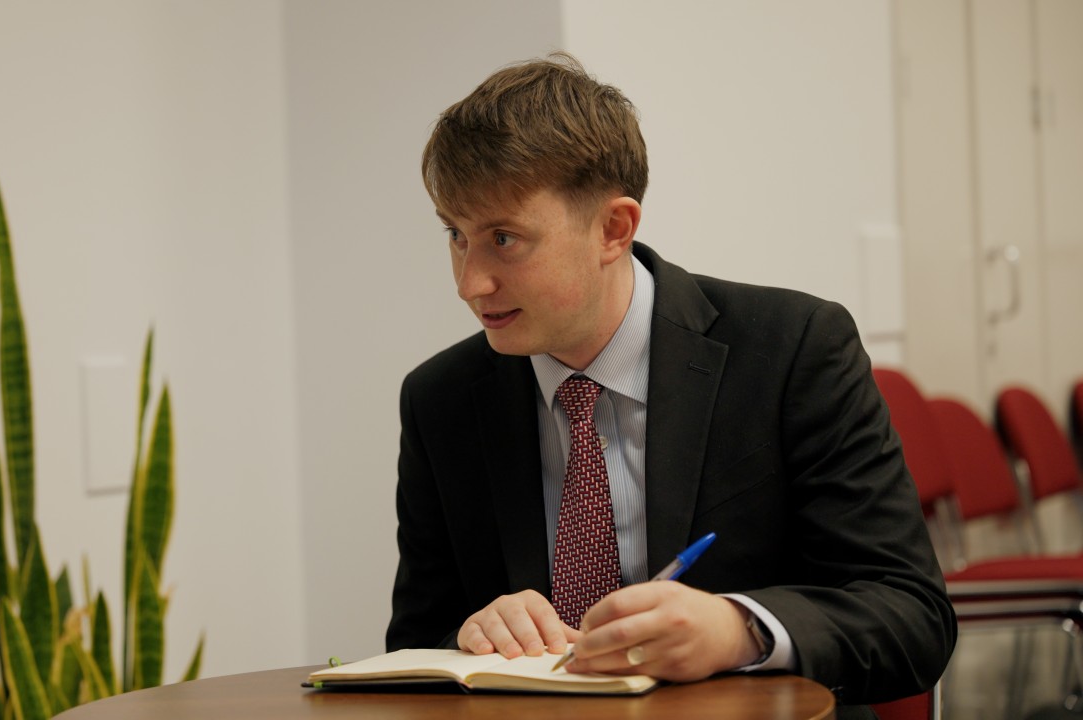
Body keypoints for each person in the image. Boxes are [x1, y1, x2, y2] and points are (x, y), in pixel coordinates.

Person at [386, 52, 955, 716]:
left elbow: (912, 616)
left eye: (504, 240)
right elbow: (412, 646)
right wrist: (468, 634)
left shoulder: (793, 349)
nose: (469, 283)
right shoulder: (441, 400)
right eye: (456, 235)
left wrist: (739, 630)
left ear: (613, 229)